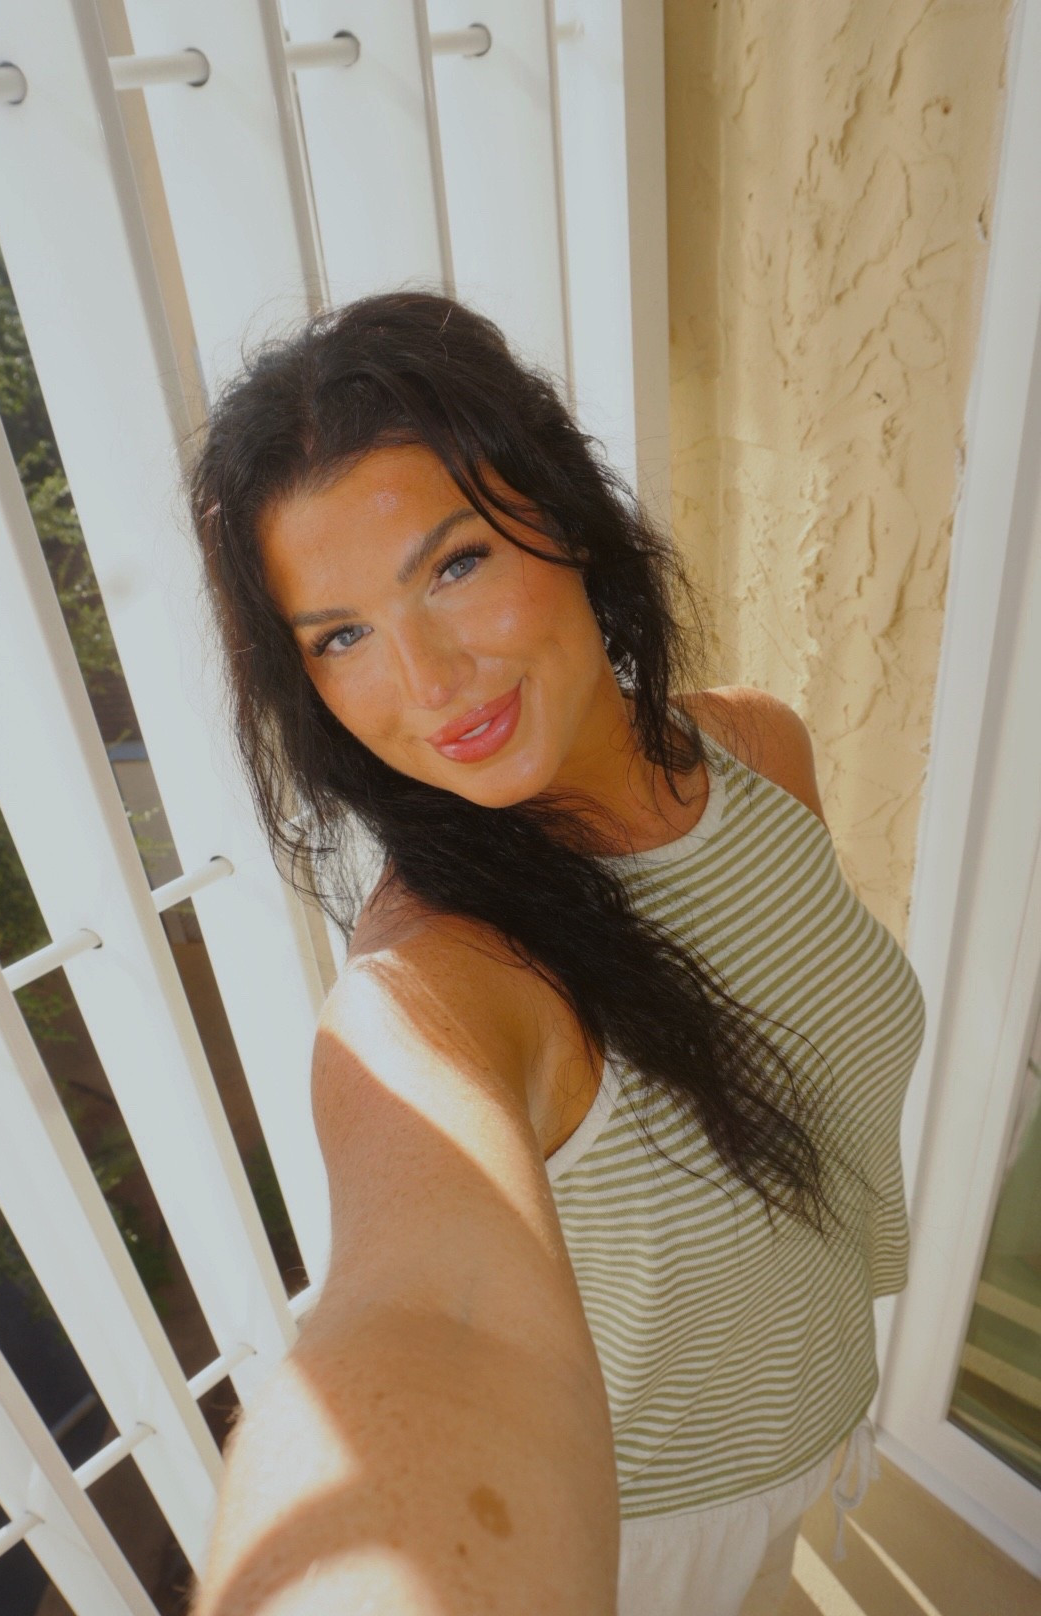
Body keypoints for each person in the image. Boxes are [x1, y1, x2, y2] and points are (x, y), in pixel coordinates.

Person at [185, 289, 926, 1616]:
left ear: (571, 518)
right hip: (650, 1542)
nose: (427, 680)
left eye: (454, 566)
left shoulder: (758, 751)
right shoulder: (440, 984)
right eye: (341, 637)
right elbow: (428, 1318)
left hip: (808, 1413)